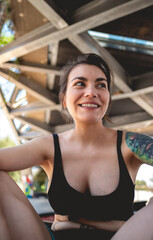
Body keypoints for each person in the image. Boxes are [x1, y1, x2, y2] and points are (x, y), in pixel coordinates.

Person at [0, 53, 153, 240]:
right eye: (80, 83)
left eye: (101, 85)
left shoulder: (129, 145)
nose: (91, 92)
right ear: (64, 99)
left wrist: (80, 223)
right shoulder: (49, 147)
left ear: (107, 98)